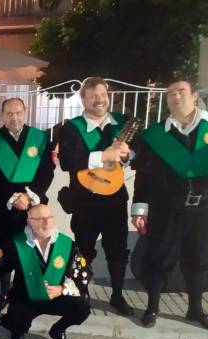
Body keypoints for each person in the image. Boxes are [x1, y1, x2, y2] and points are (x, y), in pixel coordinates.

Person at [131, 79, 208, 331]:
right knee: (159, 256)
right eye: (170, 94)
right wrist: (139, 210)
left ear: (195, 96)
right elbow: (144, 175)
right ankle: (152, 307)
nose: (175, 97)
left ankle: (195, 310)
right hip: (165, 208)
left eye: (181, 91)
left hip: (206, 207)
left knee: (198, 258)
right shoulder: (155, 135)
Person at [57, 77, 134, 316]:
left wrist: (126, 153)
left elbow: (139, 152)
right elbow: (67, 161)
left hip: (114, 200)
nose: (99, 100)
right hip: (84, 200)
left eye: (102, 94)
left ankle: (117, 296)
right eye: (93, 96)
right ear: (83, 99)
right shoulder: (72, 127)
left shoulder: (121, 123)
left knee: (117, 250)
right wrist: (102, 155)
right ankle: (82, 293)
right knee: (83, 250)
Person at [0, 97, 55, 301]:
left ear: (25, 112)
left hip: (34, 208)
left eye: (18, 112)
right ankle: (4, 292)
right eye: (9, 113)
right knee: (2, 251)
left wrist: (29, 197)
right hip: (4, 208)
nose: (14, 117)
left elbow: (47, 172)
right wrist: (13, 198)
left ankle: (24, 293)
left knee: (30, 251)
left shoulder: (39, 138)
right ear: (2, 116)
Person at [0, 204, 92, 339]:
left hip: (56, 296)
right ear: (30, 222)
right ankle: (19, 328)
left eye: (50, 218)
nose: (47, 223)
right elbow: (1, 268)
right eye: (41, 219)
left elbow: (83, 272)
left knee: (83, 307)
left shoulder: (67, 244)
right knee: (15, 320)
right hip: (27, 297)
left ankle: (58, 330)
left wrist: (62, 289)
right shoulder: (16, 244)